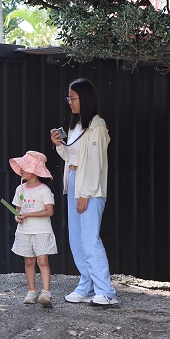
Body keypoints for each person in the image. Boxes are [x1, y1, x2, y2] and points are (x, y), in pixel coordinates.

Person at [51, 77, 118, 306]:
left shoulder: (97, 127)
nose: (70, 102)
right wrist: (59, 145)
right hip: (74, 181)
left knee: (90, 239)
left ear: (85, 98)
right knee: (76, 239)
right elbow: (72, 157)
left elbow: (95, 163)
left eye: (73, 98)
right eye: (69, 98)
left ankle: (105, 291)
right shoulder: (76, 125)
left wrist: (85, 193)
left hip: (90, 188)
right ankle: (86, 286)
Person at [8, 150, 57, 307]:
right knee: (28, 261)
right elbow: (18, 210)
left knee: (43, 261)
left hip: (42, 231)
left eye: (24, 167)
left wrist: (28, 215)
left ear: (34, 171)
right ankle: (32, 290)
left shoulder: (44, 190)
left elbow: (49, 211)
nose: (21, 170)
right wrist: (18, 217)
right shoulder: (20, 189)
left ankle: (46, 292)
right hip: (24, 231)